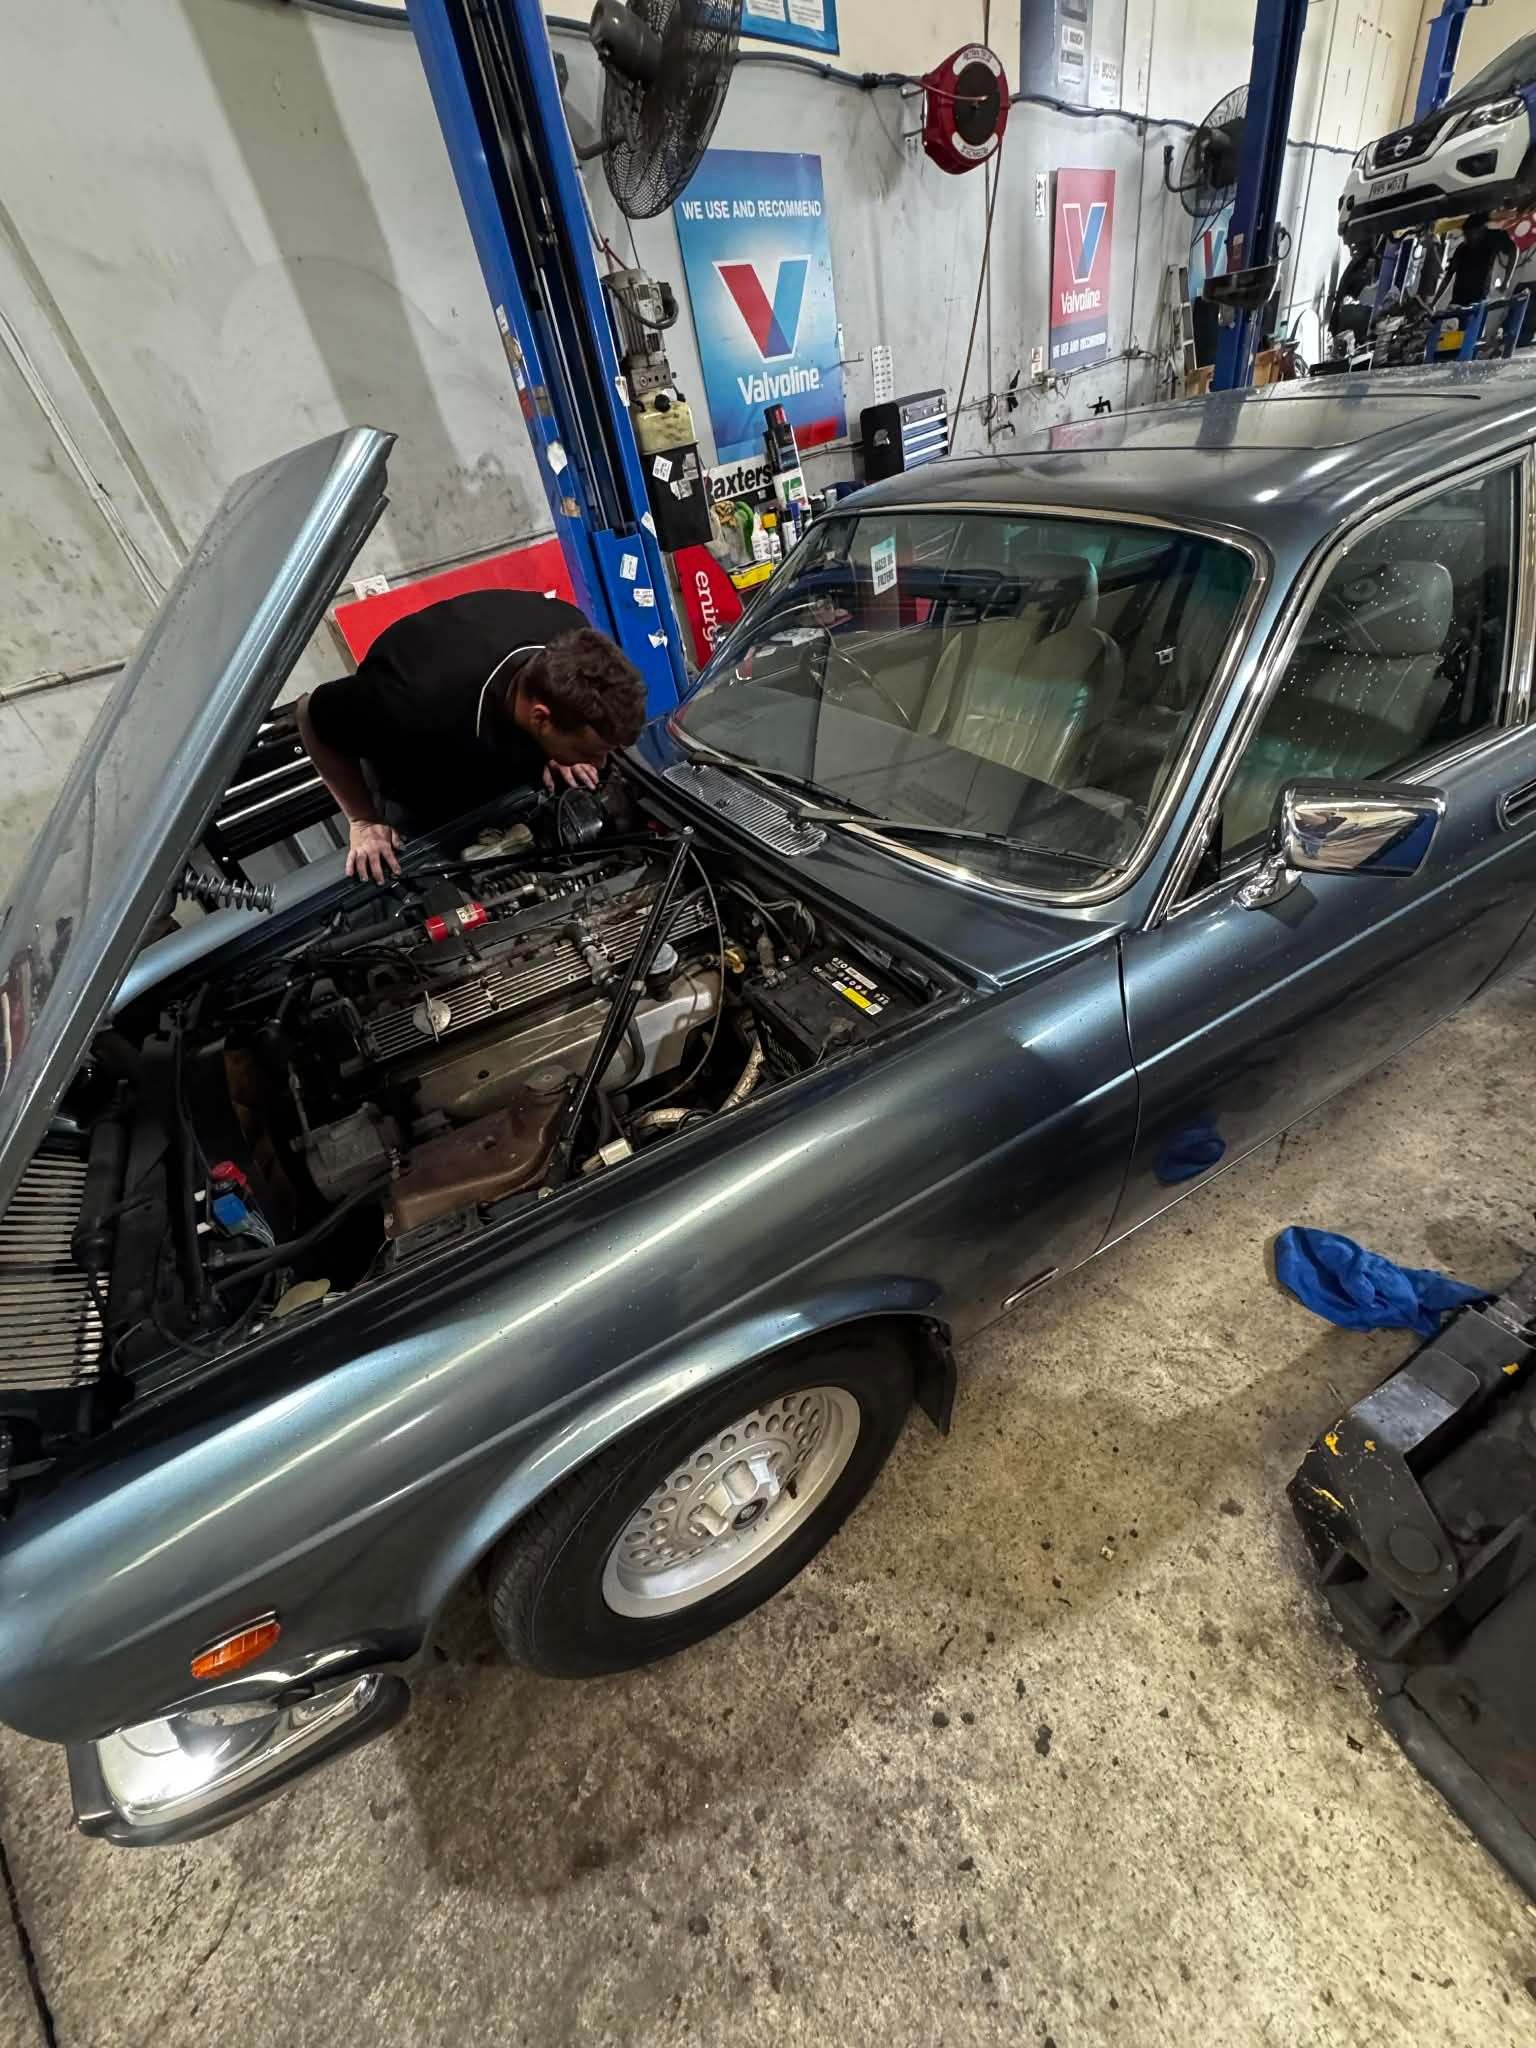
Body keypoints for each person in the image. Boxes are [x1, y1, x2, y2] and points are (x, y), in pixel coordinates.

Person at [298, 589, 648, 882]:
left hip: (502, 749)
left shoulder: (570, 633)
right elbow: (308, 715)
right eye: (595, 751)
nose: (600, 763)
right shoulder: (407, 701)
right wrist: (362, 820)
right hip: (423, 782)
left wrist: (560, 753)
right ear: (542, 718)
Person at [1436, 211, 1516, 310]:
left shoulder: (1493, 238)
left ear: (1480, 230)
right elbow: (1448, 276)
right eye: (1465, 235)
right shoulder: (1462, 248)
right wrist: (1434, 303)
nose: (1466, 238)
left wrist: (1506, 280)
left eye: (1469, 234)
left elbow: (1513, 250)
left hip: (1478, 304)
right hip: (1457, 302)